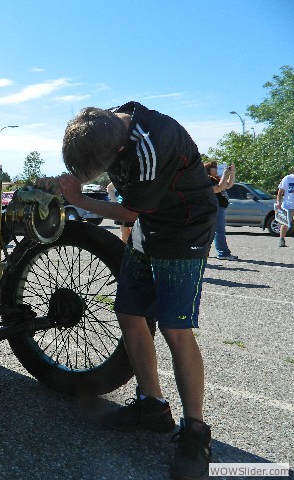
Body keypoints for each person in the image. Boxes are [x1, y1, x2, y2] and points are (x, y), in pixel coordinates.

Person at [48, 102, 217, 480]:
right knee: (129, 312)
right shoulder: (102, 124)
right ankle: (152, 406)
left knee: (175, 328)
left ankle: (196, 431)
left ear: (120, 150)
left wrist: (78, 199)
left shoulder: (154, 143)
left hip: (182, 231)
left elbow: (131, 212)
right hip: (147, 233)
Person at [203, 160, 237, 260]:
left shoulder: (216, 179)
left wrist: (232, 173)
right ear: (208, 170)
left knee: (216, 231)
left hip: (219, 207)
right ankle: (223, 253)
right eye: (215, 167)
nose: (217, 169)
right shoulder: (207, 180)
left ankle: (215, 252)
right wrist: (225, 174)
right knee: (219, 230)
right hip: (214, 207)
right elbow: (219, 188)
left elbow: (229, 185)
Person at [276, 165, 294, 247]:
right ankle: (281, 240)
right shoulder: (288, 178)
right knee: (284, 223)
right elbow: (280, 191)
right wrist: (278, 202)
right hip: (288, 205)